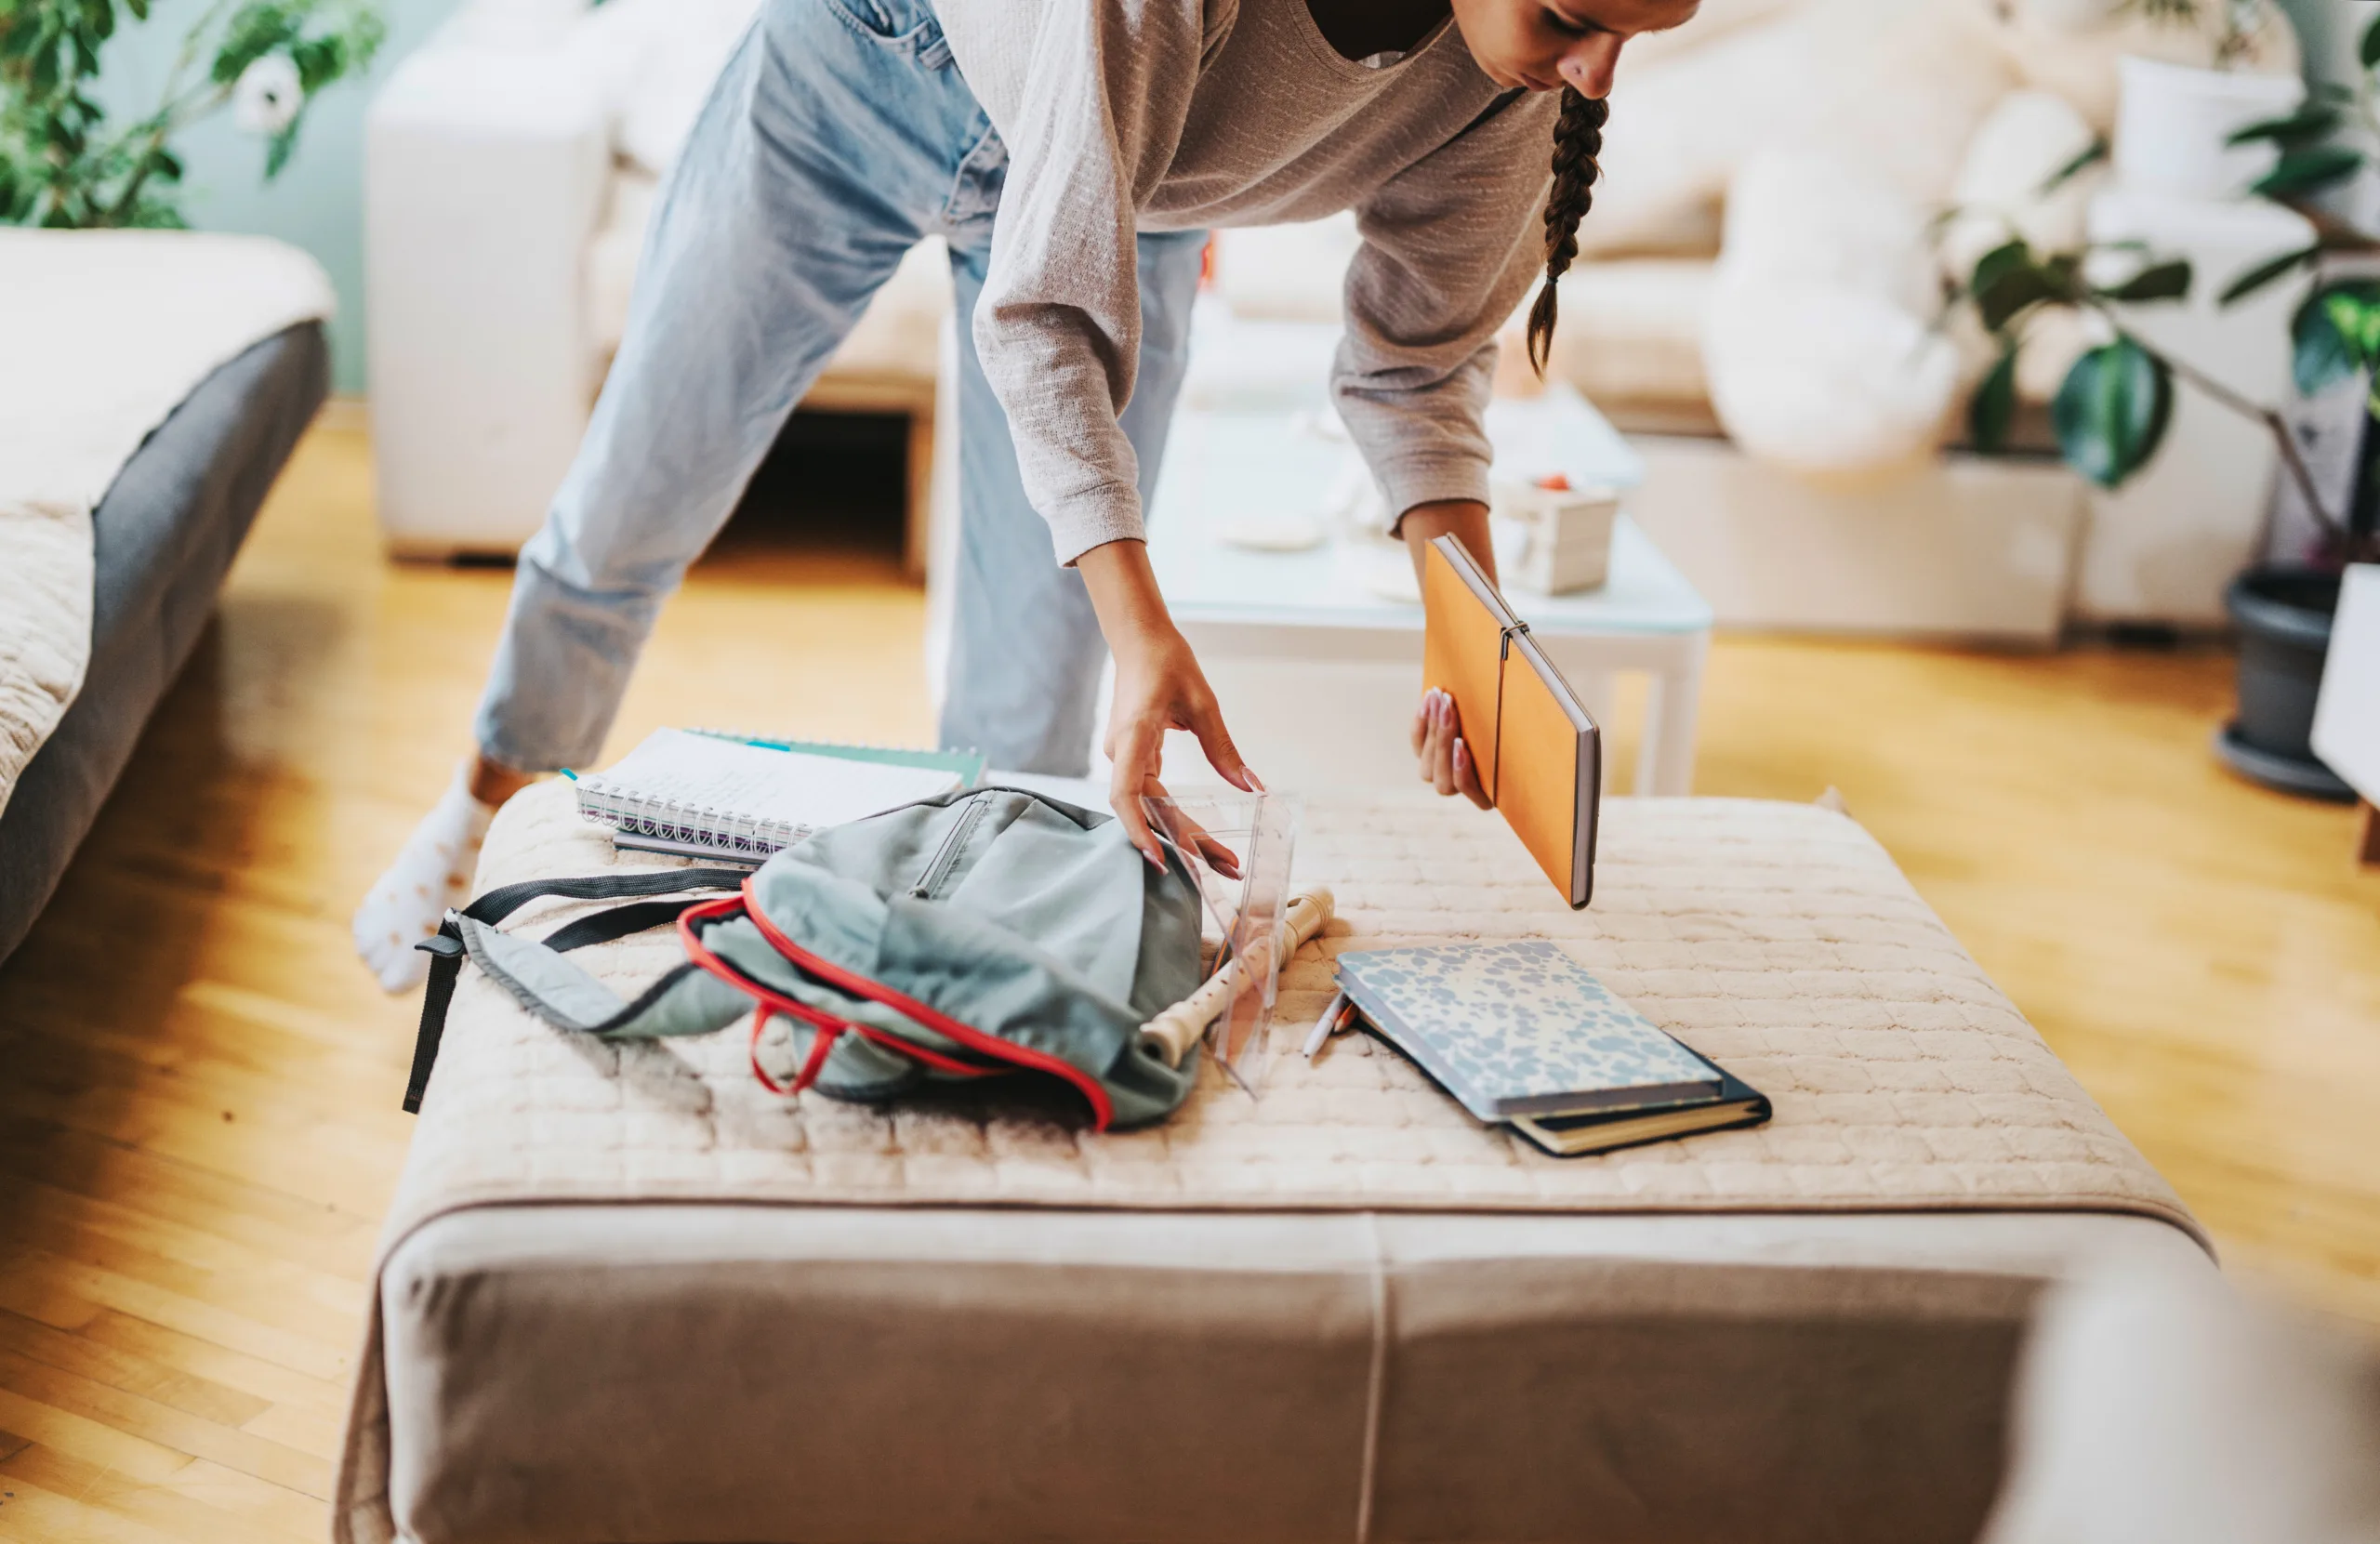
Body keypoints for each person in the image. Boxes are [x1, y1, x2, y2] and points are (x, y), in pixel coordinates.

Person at [354, 0, 1700, 991]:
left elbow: (1418, 368)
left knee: (1033, 700)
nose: (1597, 72)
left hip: (1131, 205)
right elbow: (1041, 322)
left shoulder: (1515, 89)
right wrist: (1146, 626)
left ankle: (935, 972)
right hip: (868, 75)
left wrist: (1468, 624)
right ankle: (478, 810)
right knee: (640, 496)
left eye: (1641, 35)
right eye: (1575, 19)